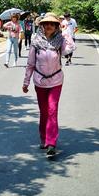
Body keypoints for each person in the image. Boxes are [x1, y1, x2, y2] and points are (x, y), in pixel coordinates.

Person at [22, 12, 75, 158]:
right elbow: (30, 64)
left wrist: (66, 35)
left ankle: (51, 143)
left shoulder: (60, 41)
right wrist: (26, 82)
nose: (49, 26)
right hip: (40, 81)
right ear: (42, 26)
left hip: (56, 81)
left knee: (52, 110)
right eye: (47, 24)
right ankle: (43, 138)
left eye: (53, 24)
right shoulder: (36, 42)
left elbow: (69, 50)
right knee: (44, 111)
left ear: (57, 26)